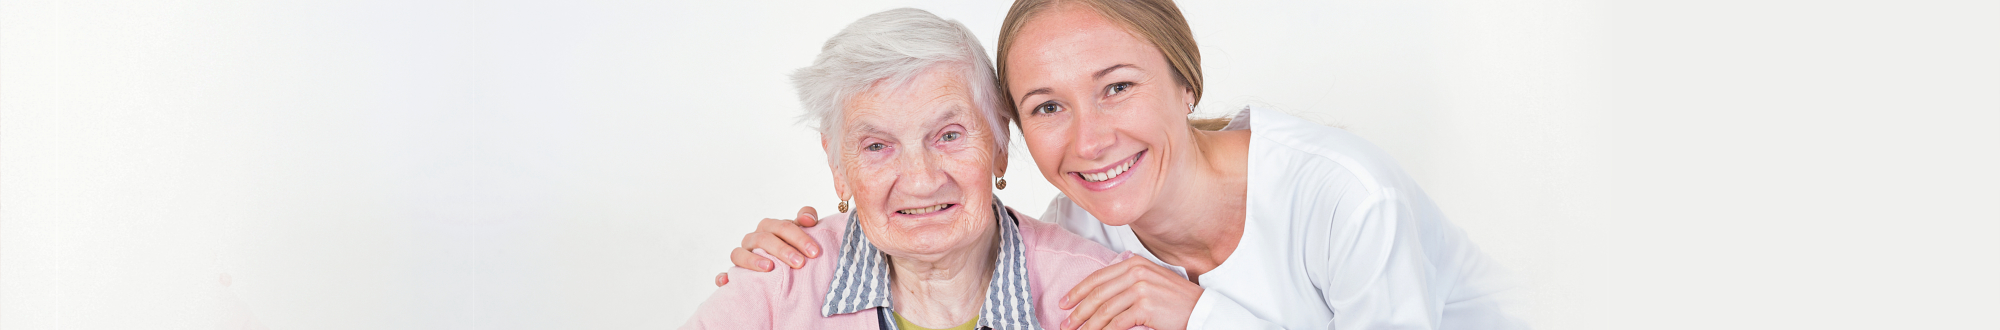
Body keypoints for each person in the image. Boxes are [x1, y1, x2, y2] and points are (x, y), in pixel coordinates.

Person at [717, 1, 1528, 329]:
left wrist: (1199, 318)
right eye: (1047, 106)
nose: (1090, 139)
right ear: (1017, 132)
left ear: (1185, 81)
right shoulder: (1083, 236)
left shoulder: (1345, 197)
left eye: (1117, 87)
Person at [681, 8, 1142, 330]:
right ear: (838, 165)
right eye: (878, 145)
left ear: (1000, 144)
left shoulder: (1098, 295)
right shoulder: (778, 282)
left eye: (949, 136)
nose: (922, 180)